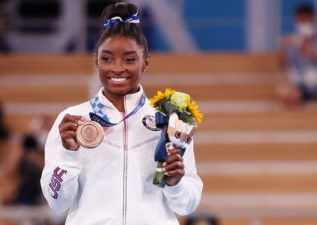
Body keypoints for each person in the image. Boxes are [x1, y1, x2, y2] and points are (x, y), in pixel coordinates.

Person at [40, 3, 203, 225]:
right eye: (107, 59)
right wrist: (69, 155)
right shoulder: (72, 119)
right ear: (96, 61)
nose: (117, 68)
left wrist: (175, 183)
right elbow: (56, 202)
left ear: (145, 62)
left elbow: (188, 204)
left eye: (129, 59)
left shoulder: (170, 119)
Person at [278, 3, 317, 105]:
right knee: (285, 92)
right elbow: (282, 65)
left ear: (313, 18)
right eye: (300, 19)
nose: (303, 22)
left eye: (306, 19)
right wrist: (282, 49)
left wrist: (310, 51)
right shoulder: (292, 40)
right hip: (301, 84)